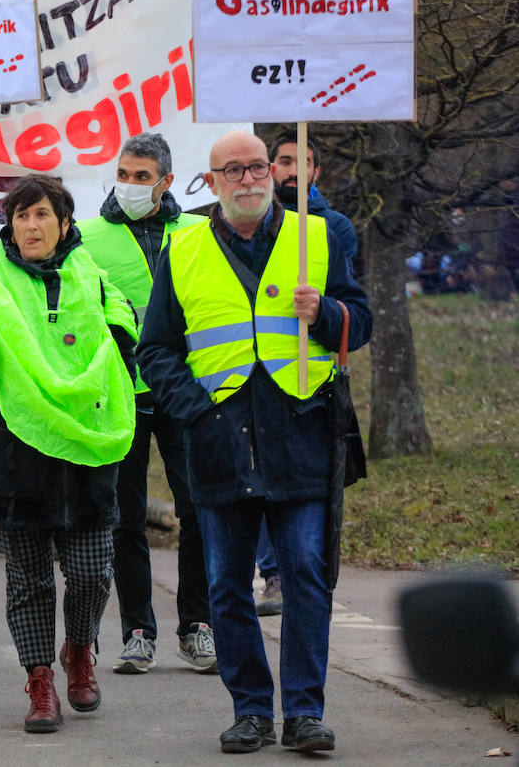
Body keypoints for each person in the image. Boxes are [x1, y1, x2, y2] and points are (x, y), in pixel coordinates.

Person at [138, 129, 371, 754]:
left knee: (305, 575)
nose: (248, 178)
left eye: (257, 167)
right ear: (210, 183)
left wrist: (323, 313)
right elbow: (156, 348)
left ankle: (303, 713)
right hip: (220, 441)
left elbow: (359, 320)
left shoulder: (316, 237)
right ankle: (250, 709)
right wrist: (194, 409)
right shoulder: (181, 247)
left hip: (300, 435)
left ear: (274, 172)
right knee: (226, 586)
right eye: (232, 170)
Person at [0, 173, 138, 734]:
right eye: (20, 216)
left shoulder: (97, 281)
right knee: (28, 580)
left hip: (85, 453)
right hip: (16, 456)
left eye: (41, 216)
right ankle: (39, 681)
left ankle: (79, 650)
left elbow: (123, 352)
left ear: (63, 223)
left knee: (89, 574)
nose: (30, 226)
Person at [76, 132, 215, 675]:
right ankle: (137, 630)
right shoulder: (86, 237)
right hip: (120, 392)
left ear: (166, 181)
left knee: (199, 510)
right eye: (124, 174)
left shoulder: (199, 232)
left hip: (188, 390)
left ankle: (197, 625)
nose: (130, 185)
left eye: (141, 176)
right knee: (124, 517)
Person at [257, 130, 362, 616]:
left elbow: (354, 315)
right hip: (245, 386)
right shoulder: (244, 226)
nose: (292, 171)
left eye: (302, 163)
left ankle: (293, 578)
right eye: (282, 161)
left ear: (317, 172)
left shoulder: (332, 229)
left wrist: (324, 311)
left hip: (308, 389)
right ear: (270, 167)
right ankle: (270, 572)